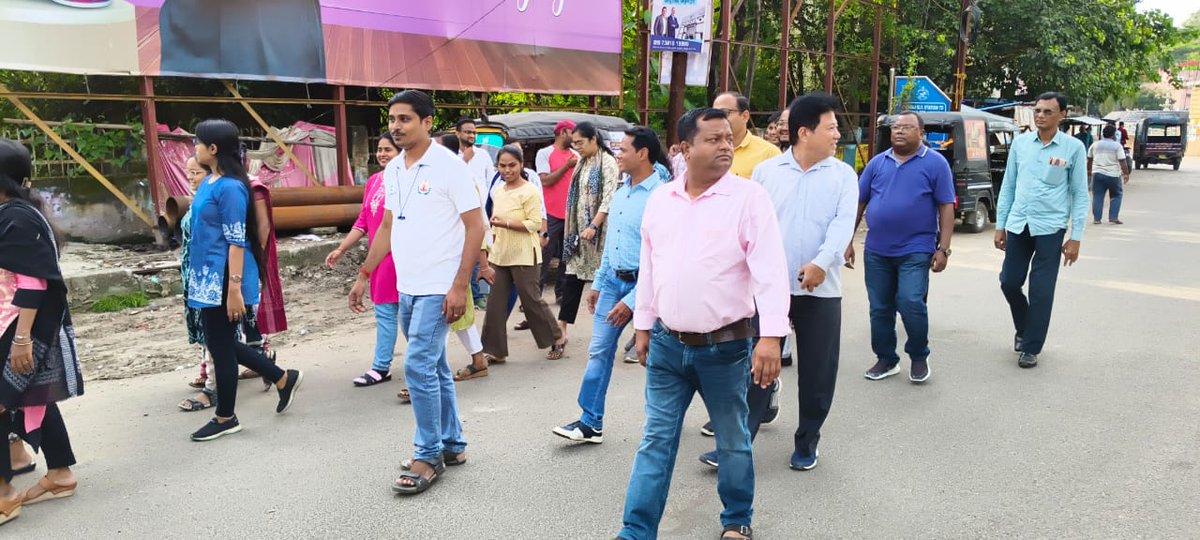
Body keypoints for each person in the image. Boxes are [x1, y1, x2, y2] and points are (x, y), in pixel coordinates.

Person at [617, 109, 789, 540]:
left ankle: (736, 521)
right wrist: (643, 326)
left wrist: (771, 338)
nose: (725, 146)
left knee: (732, 440)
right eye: (713, 139)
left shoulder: (749, 199)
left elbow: (770, 271)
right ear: (684, 149)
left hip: (726, 348)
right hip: (666, 345)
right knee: (656, 441)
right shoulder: (662, 200)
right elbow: (651, 268)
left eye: (729, 139)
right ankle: (636, 531)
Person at [348, 90, 485, 495]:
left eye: (405, 119)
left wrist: (460, 284)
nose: (395, 126)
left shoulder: (449, 167)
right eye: (392, 119)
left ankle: (428, 454)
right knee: (436, 367)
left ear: (427, 122)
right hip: (407, 285)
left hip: (439, 287)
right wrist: (364, 274)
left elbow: (475, 227)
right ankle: (453, 444)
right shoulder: (394, 171)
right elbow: (388, 227)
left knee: (418, 367)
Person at [185, 120, 303, 442]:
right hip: (205, 277)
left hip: (224, 276)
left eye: (198, 142)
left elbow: (236, 240)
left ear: (213, 149)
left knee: (221, 347)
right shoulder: (210, 182)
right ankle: (281, 377)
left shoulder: (232, 188)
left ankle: (225, 416)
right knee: (219, 343)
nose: (194, 148)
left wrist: (234, 289)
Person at [551, 127, 670, 444]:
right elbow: (611, 245)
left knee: (657, 359)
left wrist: (633, 300)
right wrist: (599, 284)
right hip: (613, 281)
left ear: (643, 154)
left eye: (624, 150)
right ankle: (590, 422)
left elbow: (662, 257)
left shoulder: (663, 196)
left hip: (647, 289)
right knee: (598, 351)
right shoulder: (621, 192)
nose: (618, 155)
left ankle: (663, 423)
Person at [0, 139, 84, 527]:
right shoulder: (14, 213)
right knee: (28, 396)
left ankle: (4, 496)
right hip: (11, 323)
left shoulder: (17, 217)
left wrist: (22, 340)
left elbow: (33, 284)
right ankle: (60, 473)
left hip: (17, 326)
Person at [848, 111, 955, 384]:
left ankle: (919, 356)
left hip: (916, 247)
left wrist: (943, 248)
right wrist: (846, 241)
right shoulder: (877, 163)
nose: (899, 131)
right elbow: (859, 203)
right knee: (880, 307)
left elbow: (945, 206)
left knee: (910, 301)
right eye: (896, 127)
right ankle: (886, 359)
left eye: (907, 127)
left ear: (921, 134)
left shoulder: (935, 163)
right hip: (877, 249)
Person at [995, 92, 1088, 369]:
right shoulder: (1021, 145)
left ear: (1062, 115)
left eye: (1048, 112)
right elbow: (1008, 185)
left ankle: (1031, 346)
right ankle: (1024, 328)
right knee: (1009, 281)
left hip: (1051, 227)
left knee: (1041, 290)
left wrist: (1076, 237)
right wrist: (1000, 225)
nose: (1041, 116)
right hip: (1019, 224)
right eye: (1037, 111)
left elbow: (1079, 194)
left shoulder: (1073, 148)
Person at [470, 146, 561, 376]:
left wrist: (505, 224)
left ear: (521, 165)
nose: (507, 170)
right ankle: (495, 350)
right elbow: (492, 222)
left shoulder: (529, 191)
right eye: (502, 166)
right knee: (495, 303)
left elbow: (533, 224)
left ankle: (556, 337)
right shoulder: (498, 190)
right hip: (501, 253)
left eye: (512, 165)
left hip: (524, 253)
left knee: (531, 300)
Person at [326, 132, 403, 388]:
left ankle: (396, 367)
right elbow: (363, 222)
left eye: (388, 150)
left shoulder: (404, 181)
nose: (382, 154)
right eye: (379, 149)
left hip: (397, 256)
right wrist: (342, 248)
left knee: (400, 314)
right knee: (386, 312)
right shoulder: (373, 181)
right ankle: (382, 367)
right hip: (377, 258)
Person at [552, 122, 619, 360]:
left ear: (594, 140)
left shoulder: (608, 163)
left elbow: (609, 198)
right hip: (578, 233)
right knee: (571, 278)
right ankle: (561, 330)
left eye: (580, 143)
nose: (577, 147)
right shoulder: (581, 162)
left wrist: (594, 225)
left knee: (603, 284)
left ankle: (606, 334)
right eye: (574, 144)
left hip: (599, 235)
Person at [534, 120, 579, 304]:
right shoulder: (544, 154)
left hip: (570, 213)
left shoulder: (576, 155)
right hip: (550, 213)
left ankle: (561, 294)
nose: (575, 136)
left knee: (567, 256)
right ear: (562, 133)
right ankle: (534, 296)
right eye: (572, 132)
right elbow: (545, 181)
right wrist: (566, 167)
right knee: (544, 255)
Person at [713, 92, 782, 179]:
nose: (718, 118)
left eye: (724, 113)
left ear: (745, 116)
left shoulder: (768, 153)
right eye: (714, 113)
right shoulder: (706, 149)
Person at [1088, 125, 1130, 225]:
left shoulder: (1095, 145)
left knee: (1098, 196)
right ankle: (1113, 217)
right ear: (1113, 134)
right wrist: (1126, 173)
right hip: (1113, 175)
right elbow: (1122, 161)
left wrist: (1089, 170)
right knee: (1116, 194)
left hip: (1097, 173)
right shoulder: (1117, 146)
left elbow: (1089, 159)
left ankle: (1097, 219)